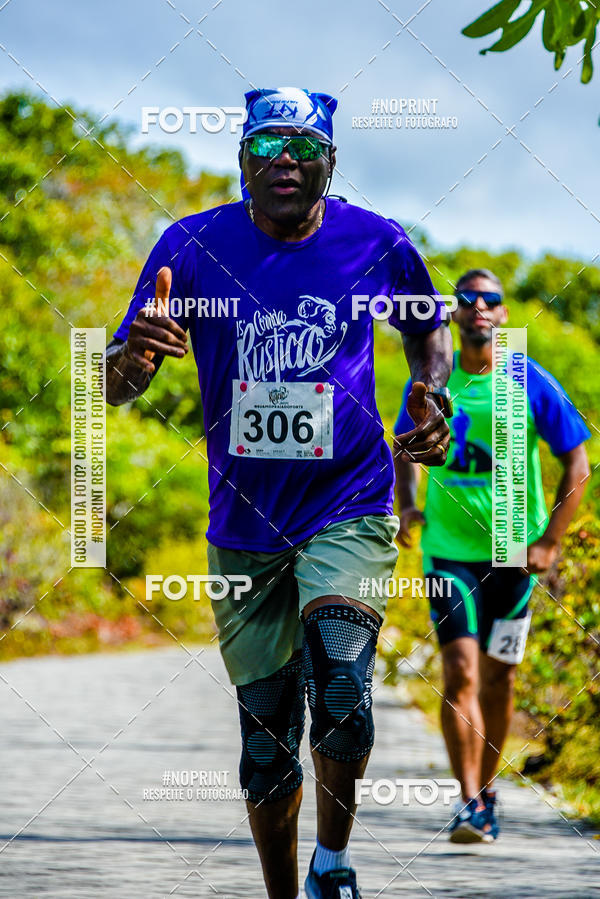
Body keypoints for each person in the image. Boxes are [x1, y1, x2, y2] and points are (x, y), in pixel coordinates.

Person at [106, 86, 453, 898]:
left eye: (303, 146)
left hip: (348, 500)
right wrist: (132, 360)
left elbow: (427, 328)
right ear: (241, 161)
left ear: (332, 162)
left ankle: (333, 860)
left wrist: (431, 393)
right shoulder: (191, 247)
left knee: (342, 684)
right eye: (266, 145)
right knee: (266, 745)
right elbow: (114, 383)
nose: (285, 159)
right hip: (244, 523)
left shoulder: (379, 242)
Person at [393, 268, 591, 843]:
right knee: (459, 672)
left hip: (513, 554)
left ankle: (487, 790)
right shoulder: (435, 379)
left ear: (503, 313)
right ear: (454, 313)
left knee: (499, 679)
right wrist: (408, 507)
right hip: (447, 553)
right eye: (467, 298)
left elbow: (577, 463)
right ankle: (468, 802)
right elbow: (403, 446)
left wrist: (549, 541)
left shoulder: (528, 378)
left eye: (491, 299)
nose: (479, 306)